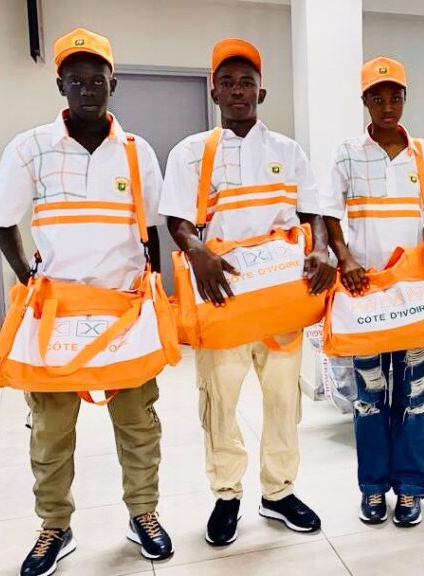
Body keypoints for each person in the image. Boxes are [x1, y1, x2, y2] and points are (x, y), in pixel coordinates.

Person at [0, 28, 173, 576]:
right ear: (60, 85)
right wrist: (27, 278)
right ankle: (55, 526)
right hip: (57, 316)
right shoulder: (30, 148)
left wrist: (154, 286)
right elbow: (0, 218)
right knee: (50, 430)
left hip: (123, 313)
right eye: (76, 80)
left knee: (138, 423)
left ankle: (143, 514)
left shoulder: (136, 152)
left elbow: (151, 229)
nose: (88, 89)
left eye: (97, 79)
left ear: (114, 83)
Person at [159, 38, 336, 545]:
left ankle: (278, 492)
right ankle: (227, 495)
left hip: (280, 300)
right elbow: (177, 219)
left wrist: (322, 249)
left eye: (247, 82)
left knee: (283, 400)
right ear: (214, 91)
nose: (238, 90)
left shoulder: (288, 151)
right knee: (220, 401)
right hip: (224, 300)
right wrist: (196, 250)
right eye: (228, 82)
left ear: (262, 91)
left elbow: (312, 214)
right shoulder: (192, 153)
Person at [319, 57, 424, 528]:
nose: (387, 105)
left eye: (395, 96)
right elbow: (328, 214)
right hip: (365, 293)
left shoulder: (422, 153)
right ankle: (373, 487)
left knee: (414, 394)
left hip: (413, 295)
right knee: (369, 395)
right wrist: (345, 259)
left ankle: (410, 487)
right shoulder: (347, 153)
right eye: (378, 97)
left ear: (405, 99)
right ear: (365, 102)